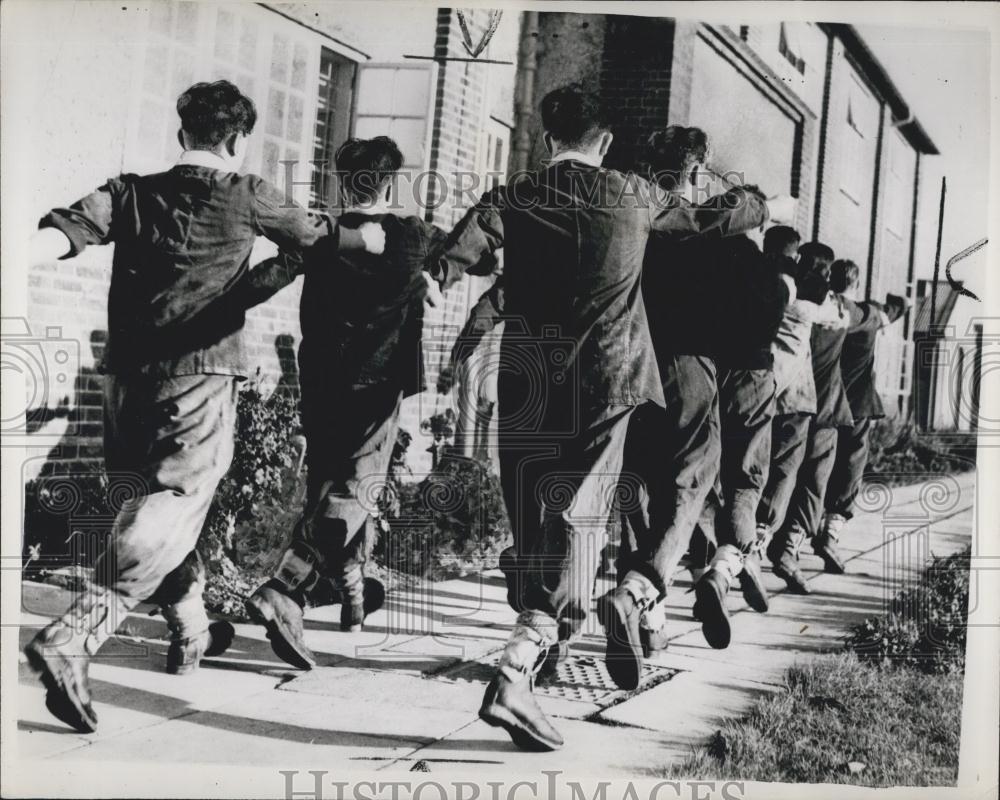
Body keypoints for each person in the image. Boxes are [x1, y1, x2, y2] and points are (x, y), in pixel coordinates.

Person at [22, 81, 384, 733]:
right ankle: (75, 636)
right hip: (200, 378)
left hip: (127, 380)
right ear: (239, 139)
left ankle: (190, 625)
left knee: (154, 501)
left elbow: (68, 229)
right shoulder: (249, 195)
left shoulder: (132, 191)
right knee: (175, 499)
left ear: (184, 132)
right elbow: (321, 239)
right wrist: (368, 243)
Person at [431, 87, 776, 751]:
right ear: (607, 143)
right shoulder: (633, 196)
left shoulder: (520, 192)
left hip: (529, 373)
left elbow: (475, 233)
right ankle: (517, 667)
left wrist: (440, 271)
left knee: (534, 515)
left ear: (543, 135)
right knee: (579, 518)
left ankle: (538, 650)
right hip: (606, 378)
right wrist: (758, 202)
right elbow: (708, 220)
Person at [243, 136, 447, 669]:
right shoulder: (414, 236)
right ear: (392, 183)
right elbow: (470, 262)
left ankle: (354, 591)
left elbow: (269, 277)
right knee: (357, 487)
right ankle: (286, 586)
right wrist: (429, 282)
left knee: (330, 485)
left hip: (323, 380)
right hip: (378, 387)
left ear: (340, 181)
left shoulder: (323, 235)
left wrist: (218, 301)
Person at [617, 126, 786, 654]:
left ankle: (650, 616)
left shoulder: (634, 220)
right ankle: (641, 590)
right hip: (686, 368)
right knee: (692, 478)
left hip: (626, 364)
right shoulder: (705, 235)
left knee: (637, 483)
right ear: (693, 172)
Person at [689, 223, 797, 648]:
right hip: (754, 376)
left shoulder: (706, 260)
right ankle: (725, 568)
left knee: (701, 475)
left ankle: (714, 566)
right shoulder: (775, 278)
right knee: (746, 480)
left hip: (708, 373)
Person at [755, 240, 845, 593]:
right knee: (792, 475)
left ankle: (734, 548)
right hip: (800, 400)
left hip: (763, 391)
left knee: (753, 470)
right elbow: (842, 318)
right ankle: (771, 546)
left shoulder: (775, 289)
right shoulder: (818, 305)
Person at [817, 263, 908, 569]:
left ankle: (795, 534)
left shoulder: (822, 309)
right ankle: (831, 532)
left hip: (824, 403)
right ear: (855, 285)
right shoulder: (868, 315)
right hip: (857, 406)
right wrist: (900, 301)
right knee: (850, 466)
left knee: (815, 464)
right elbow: (895, 310)